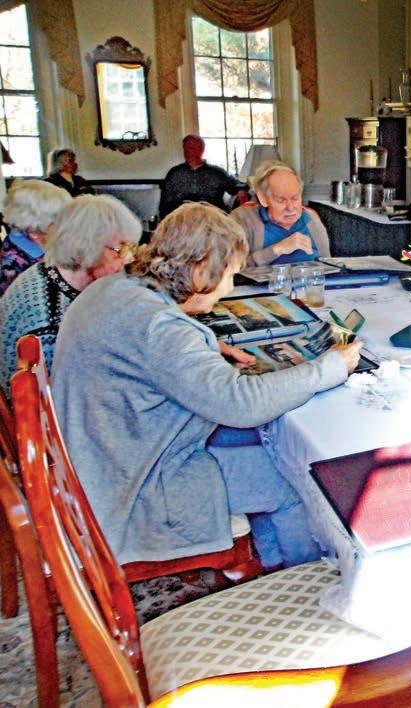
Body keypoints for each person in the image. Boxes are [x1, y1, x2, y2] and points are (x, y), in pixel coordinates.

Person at [51, 202, 364, 570]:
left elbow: (147, 350)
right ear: (200, 270)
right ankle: (300, 580)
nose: (228, 287)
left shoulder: (117, 286)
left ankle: (268, 562)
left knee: (266, 446)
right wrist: (331, 367)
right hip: (132, 487)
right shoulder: (161, 329)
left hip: (101, 458)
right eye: (229, 275)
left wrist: (206, 345)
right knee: (297, 479)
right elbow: (242, 405)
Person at [0, 194, 139, 397]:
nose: (129, 258)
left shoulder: (51, 272)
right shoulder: (48, 319)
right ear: (90, 248)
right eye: (121, 249)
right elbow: (57, 398)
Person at [230, 161, 331, 266]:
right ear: (263, 198)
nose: (290, 208)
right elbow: (228, 268)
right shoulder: (243, 219)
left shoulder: (311, 220)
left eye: (295, 198)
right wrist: (275, 250)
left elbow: (328, 265)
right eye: (281, 200)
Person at [0, 179, 72, 297]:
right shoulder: (14, 265)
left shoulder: (39, 241)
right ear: (34, 229)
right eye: (58, 221)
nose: (65, 226)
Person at [158, 134, 249, 218]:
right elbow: (165, 204)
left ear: (201, 150)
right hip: (183, 218)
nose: (187, 152)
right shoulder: (174, 173)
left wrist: (241, 190)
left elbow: (234, 185)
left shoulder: (216, 172)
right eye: (185, 148)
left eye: (191, 148)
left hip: (212, 217)